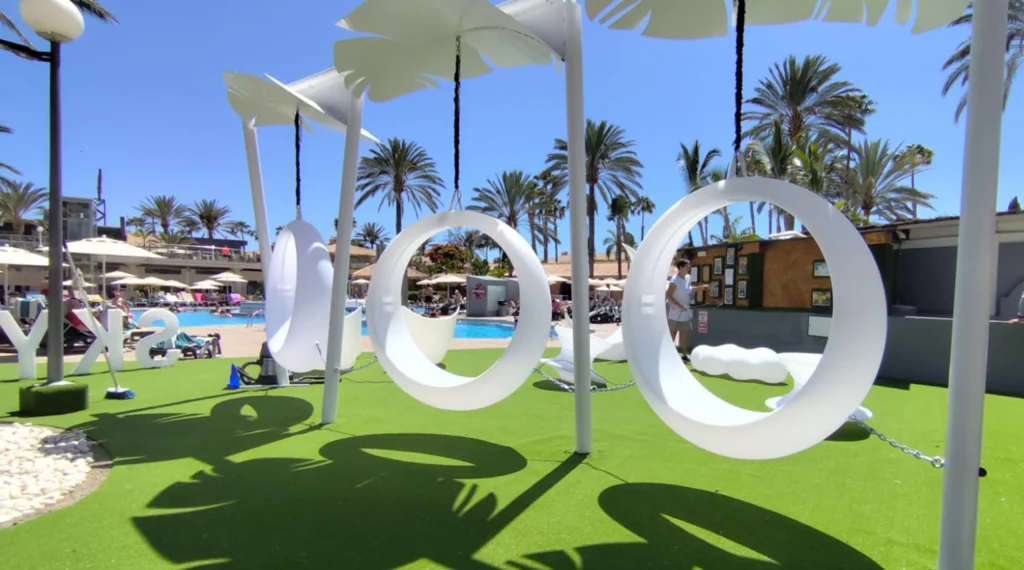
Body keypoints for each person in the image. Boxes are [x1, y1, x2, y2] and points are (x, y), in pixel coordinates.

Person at [666, 258, 710, 362]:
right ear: (680, 268)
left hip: (686, 311)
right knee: (671, 335)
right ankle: (666, 355)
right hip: (674, 312)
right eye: (687, 266)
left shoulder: (688, 277)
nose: (689, 268)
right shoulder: (674, 280)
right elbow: (668, 295)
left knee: (685, 334)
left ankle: (684, 355)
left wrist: (701, 287)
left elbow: (689, 289)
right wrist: (678, 306)